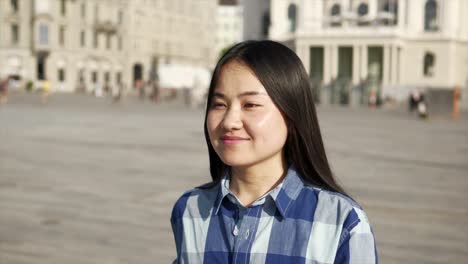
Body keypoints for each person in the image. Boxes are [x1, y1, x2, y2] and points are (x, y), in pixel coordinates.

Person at [170, 41, 378, 263]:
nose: (230, 121)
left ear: (291, 115)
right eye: (219, 104)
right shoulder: (190, 209)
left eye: (250, 105)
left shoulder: (341, 222)